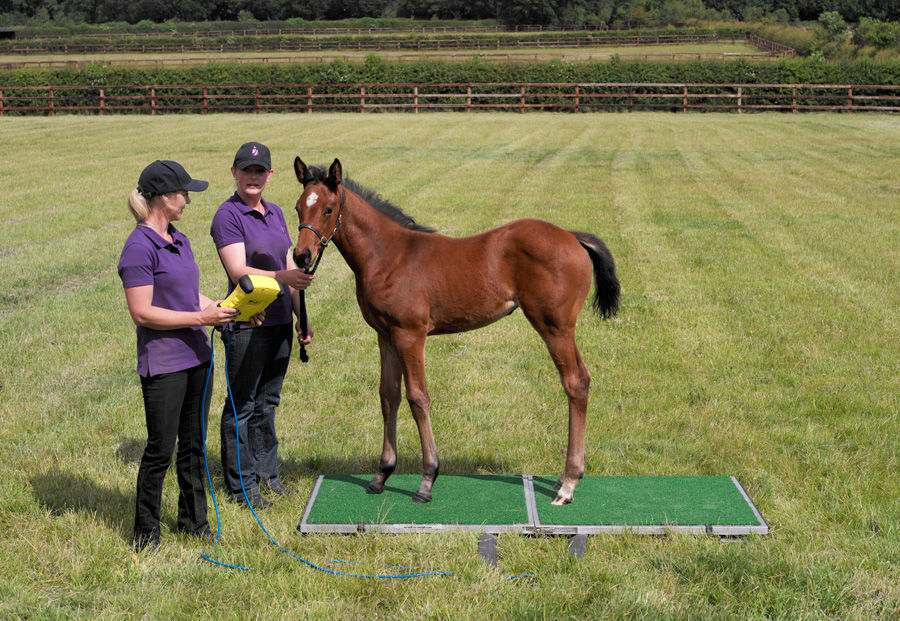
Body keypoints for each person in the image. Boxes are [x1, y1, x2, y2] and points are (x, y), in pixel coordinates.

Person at [117, 160, 241, 552]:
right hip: (165, 364)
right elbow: (142, 311)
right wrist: (199, 317)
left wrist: (218, 309)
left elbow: (191, 297)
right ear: (162, 198)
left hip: (197, 358)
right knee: (160, 451)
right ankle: (145, 533)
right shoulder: (139, 247)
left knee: (194, 446)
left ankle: (193, 523)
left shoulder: (179, 239)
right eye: (183, 193)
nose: (187, 199)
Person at [210, 141, 313, 509]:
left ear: (270, 175)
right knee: (242, 406)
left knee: (268, 403)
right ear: (234, 172)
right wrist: (284, 273)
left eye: (260, 171)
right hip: (246, 323)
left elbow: (291, 270)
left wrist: (301, 317)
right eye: (246, 170)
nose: (253, 177)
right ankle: (242, 487)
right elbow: (239, 271)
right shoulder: (228, 215)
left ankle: (268, 476)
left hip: (280, 322)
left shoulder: (277, 213)